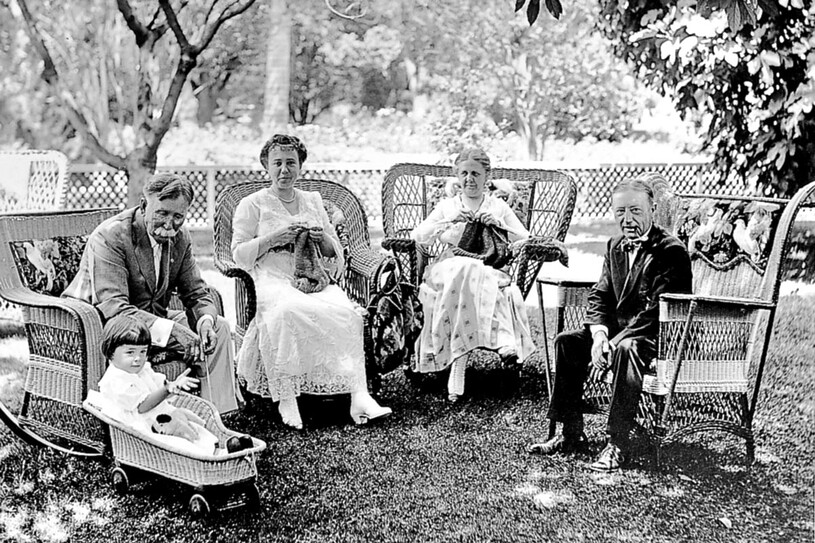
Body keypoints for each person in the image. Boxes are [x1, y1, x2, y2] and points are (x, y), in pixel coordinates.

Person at [527, 177, 692, 471]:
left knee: (626, 349)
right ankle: (571, 434)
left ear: (652, 210)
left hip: (660, 336)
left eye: (635, 211)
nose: (627, 220)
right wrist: (600, 336)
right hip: (619, 334)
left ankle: (618, 444)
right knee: (567, 342)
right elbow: (601, 294)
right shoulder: (614, 245)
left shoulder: (671, 251)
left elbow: (656, 312)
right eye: (620, 212)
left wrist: (613, 344)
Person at [231, 134, 391, 430]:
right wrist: (273, 239)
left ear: (300, 166)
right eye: (277, 163)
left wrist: (323, 238)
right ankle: (287, 396)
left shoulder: (313, 201)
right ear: (266, 165)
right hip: (272, 277)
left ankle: (359, 395)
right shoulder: (252, 204)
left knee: (347, 312)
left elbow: (334, 254)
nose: (284, 170)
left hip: (312, 276)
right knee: (287, 311)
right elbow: (238, 255)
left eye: (290, 163)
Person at [63, 173, 243, 415]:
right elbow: (114, 308)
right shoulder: (111, 236)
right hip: (104, 327)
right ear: (144, 205)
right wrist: (175, 331)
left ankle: (217, 417)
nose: (170, 224)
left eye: (178, 216)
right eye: (162, 213)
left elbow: (197, 291)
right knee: (171, 329)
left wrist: (204, 321)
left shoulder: (180, 237)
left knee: (219, 328)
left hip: (150, 323)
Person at [410, 148, 536, 403]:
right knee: (468, 267)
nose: (469, 179)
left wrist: (499, 224)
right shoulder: (448, 206)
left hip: (486, 271)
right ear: (457, 176)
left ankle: (458, 363)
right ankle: (503, 339)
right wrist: (449, 221)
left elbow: (525, 238)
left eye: (476, 173)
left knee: (475, 270)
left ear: (487, 176)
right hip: (447, 269)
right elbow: (418, 236)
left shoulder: (497, 206)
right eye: (464, 173)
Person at [97, 314, 204, 443]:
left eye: (142, 352)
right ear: (111, 353)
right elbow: (143, 406)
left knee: (186, 418)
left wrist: (174, 385)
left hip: (156, 414)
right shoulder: (117, 380)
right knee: (177, 433)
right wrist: (167, 390)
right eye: (130, 352)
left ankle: (205, 442)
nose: (138, 358)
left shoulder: (141, 370)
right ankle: (197, 448)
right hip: (139, 424)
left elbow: (156, 385)